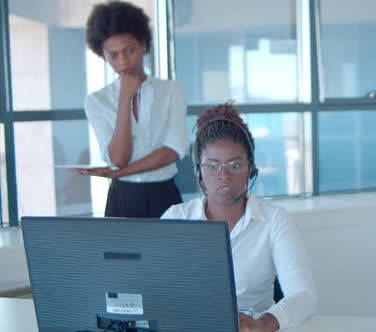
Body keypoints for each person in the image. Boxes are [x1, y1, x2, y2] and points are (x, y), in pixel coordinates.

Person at [161, 103, 318, 332]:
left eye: (235, 165)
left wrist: (260, 324)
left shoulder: (274, 220)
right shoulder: (175, 218)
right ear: (199, 173)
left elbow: (304, 295)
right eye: (213, 166)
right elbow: (151, 287)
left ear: (250, 170)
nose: (224, 175)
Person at [71, 1, 189, 218]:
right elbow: (118, 159)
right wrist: (125, 99)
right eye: (113, 55)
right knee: (121, 253)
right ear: (103, 55)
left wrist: (118, 173)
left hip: (164, 194)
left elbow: (172, 151)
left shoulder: (173, 90)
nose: (123, 61)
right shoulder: (97, 101)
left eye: (130, 50)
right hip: (122, 197)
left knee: (170, 253)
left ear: (143, 44)